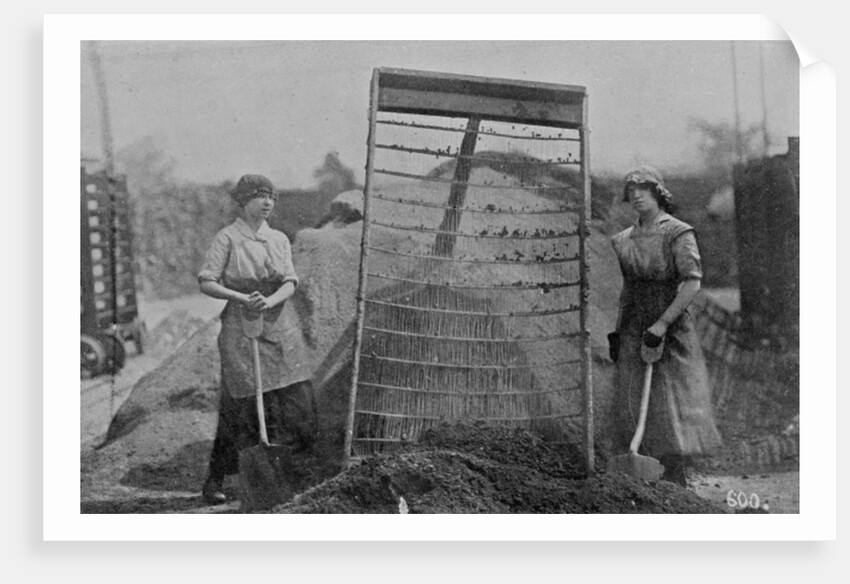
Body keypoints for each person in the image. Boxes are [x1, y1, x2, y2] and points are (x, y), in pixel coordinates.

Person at [198, 174, 315, 504]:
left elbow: (290, 280)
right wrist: (241, 297)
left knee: (298, 403)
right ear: (243, 201)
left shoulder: (279, 239)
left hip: (281, 324)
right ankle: (216, 480)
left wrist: (271, 300)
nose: (267, 203)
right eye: (259, 196)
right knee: (240, 407)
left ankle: (289, 478)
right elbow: (206, 281)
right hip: (241, 325)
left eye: (271, 197)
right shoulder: (227, 238)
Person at [607, 166, 722, 486]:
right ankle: (644, 477)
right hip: (634, 324)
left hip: (671, 324)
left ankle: (676, 476)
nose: (637, 196)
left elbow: (692, 282)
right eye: (631, 191)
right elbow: (628, 289)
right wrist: (619, 330)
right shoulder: (623, 240)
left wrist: (662, 324)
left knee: (670, 398)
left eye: (644, 189)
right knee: (632, 395)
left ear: (658, 193)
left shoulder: (678, 233)